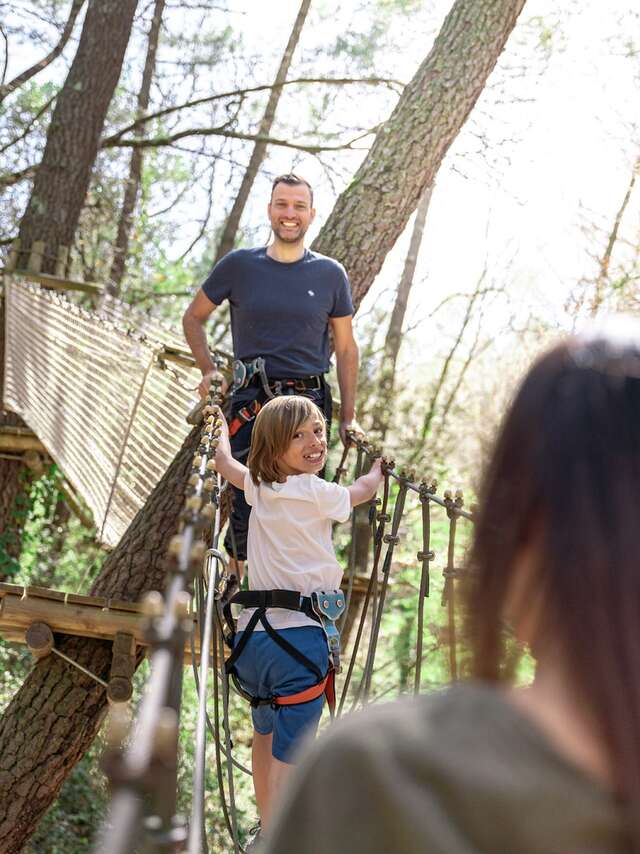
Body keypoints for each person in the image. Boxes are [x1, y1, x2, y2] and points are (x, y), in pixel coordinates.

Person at [262, 321, 640, 853]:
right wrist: (375, 472)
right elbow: (359, 491)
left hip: (271, 629)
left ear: (517, 534)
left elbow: (250, 474)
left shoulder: (384, 774)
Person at [212, 394, 383, 843]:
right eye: (299, 435)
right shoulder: (314, 490)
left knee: (264, 742)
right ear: (273, 448)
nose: (315, 442)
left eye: (319, 431)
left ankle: (269, 834)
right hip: (300, 645)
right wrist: (377, 472)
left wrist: (218, 437)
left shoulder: (260, 486)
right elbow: (360, 494)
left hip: (253, 643)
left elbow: (227, 468)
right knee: (296, 758)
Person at [182, 173, 361, 578]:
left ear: (311, 214)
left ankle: (297, 604)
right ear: (269, 210)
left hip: (309, 405)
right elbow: (193, 319)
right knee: (249, 501)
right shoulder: (240, 266)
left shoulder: (330, 274)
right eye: (282, 204)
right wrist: (209, 369)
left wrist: (350, 417)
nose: (290, 214)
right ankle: (242, 593)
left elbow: (347, 348)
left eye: (299, 206)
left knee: (302, 504)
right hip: (253, 401)